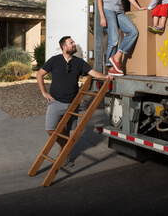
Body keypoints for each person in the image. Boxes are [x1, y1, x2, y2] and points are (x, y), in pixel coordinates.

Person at [36, 36, 113, 166]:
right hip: (56, 101)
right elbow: (39, 74)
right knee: (50, 129)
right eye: (71, 43)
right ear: (64, 47)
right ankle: (66, 149)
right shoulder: (54, 60)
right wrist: (44, 92)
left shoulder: (79, 62)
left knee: (66, 130)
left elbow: (92, 72)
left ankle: (63, 154)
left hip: (72, 103)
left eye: (73, 42)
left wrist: (106, 77)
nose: (74, 44)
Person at [97, 0, 146, 76]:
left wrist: (139, 8)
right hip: (108, 10)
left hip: (119, 11)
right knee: (114, 38)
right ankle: (110, 65)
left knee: (133, 31)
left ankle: (116, 58)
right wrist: (102, 16)